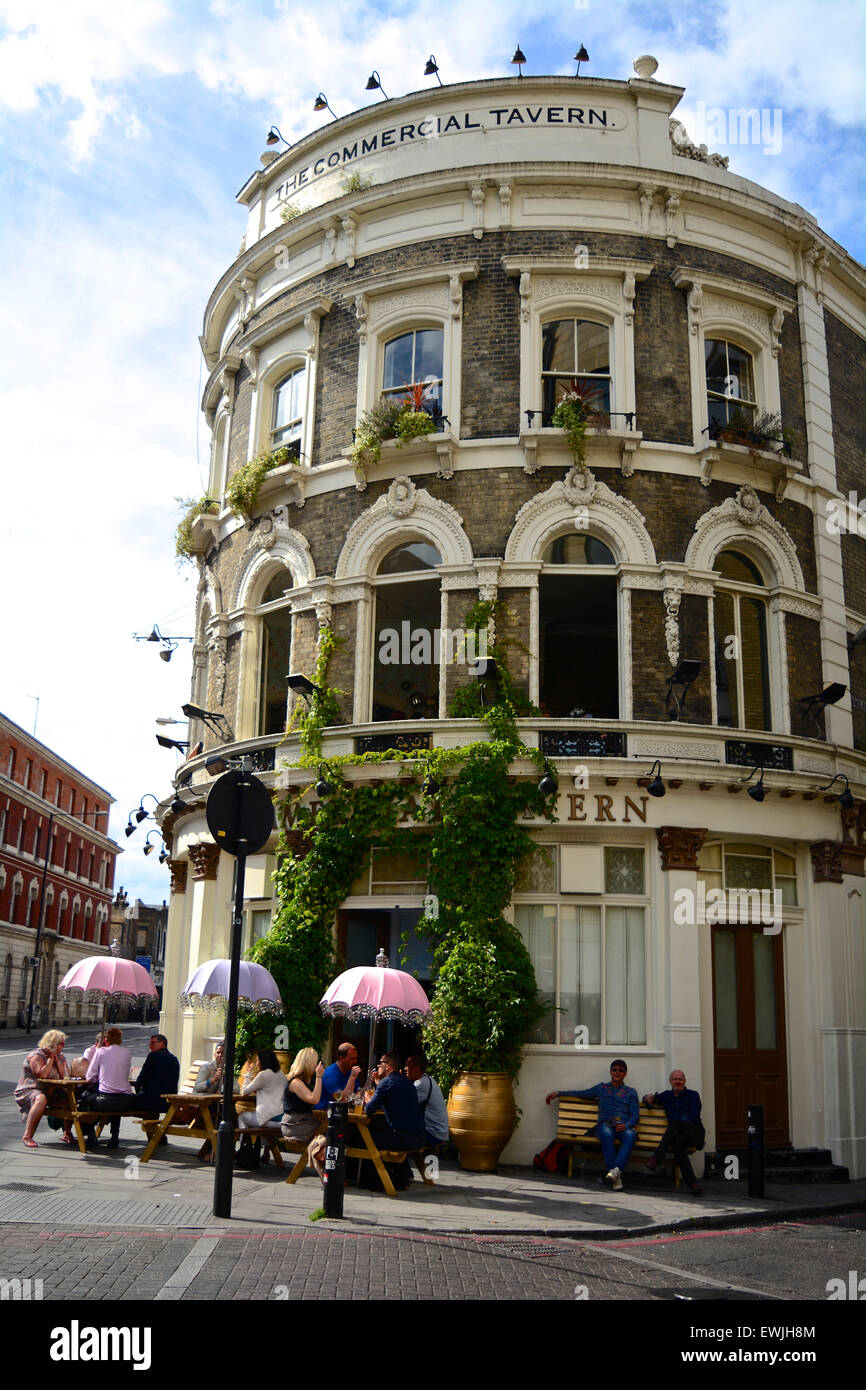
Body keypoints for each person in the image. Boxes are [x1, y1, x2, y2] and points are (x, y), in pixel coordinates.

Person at [546, 1058, 639, 1191]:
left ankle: (615, 1172)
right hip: (606, 1125)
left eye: (621, 1070)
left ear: (625, 1074)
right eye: (614, 1069)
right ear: (610, 1072)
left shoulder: (631, 1092)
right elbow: (581, 1093)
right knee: (606, 1133)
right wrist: (559, 1093)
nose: (617, 1072)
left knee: (630, 1136)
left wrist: (627, 1125)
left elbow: (635, 1115)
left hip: (622, 1126)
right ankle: (615, 1174)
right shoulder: (602, 1088)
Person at [642, 1069, 705, 1195]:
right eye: (675, 1079)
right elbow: (651, 1099)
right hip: (678, 1136)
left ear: (684, 1081)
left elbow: (693, 1118)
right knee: (677, 1144)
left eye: (680, 1079)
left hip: (694, 1134)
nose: (678, 1082)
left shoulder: (693, 1095)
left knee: (675, 1124)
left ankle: (656, 1159)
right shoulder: (667, 1096)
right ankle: (693, 1184)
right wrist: (647, 1098)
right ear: (670, 1081)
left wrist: (678, 1122)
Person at [14, 1030, 72, 1148]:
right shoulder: (37, 1055)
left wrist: (58, 1061)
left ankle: (67, 1132)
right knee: (41, 1099)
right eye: (61, 1043)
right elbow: (42, 1075)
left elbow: (65, 1076)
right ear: (53, 1043)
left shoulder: (60, 1057)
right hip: (30, 1089)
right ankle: (27, 1136)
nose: (63, 1046)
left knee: (71, 1099)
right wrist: (51, 1059)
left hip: (51, 1090)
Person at [81, 1027, 135, 1150]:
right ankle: (114, 1136)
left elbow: (90, 1076)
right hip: (126, 1101)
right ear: (120, 1040)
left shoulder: (101, 1052)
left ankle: (91, 1135)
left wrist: (99, 1079)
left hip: (106, 1101)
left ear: (107, 1039)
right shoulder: (127, 1052)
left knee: (83, 1103)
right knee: (116, 1101)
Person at [364, 1053, 426, 1153]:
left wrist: (368, 1099)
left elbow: (369, 1110)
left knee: (362, 1140)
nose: (378, 1066)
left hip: (403, 1138)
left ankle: (375, 1169)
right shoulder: (407, 1082)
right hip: (419, 1137)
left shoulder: (386, 1082)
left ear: (388, 1066)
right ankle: (401, 1169)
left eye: (380, 1062)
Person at [238, 1048, 287, 1163]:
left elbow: (244, 1091)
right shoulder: (280, 1075)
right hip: (282, 1119)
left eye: (258, 1060)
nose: (256, 1063)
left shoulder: (263, 1075)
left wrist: (248, 1074)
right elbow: (271, 1090)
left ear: (263, 1061)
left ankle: (244, 1148)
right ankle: (266, 1150)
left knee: (242, 1117)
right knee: (262, 1119)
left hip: (269, 1121)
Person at [281, 1047, 325, 1143]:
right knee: (327, 1129)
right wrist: (319, 1076)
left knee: (328, 1129)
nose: (316, 1065)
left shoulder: (300, 1081)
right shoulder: (296, 1082)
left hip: (300, 1123)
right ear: (309, 1063)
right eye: (315, 1062)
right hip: (295, 1126)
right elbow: (314, 1099)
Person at [404, 1053, 448, 1148]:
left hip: (433, 1134)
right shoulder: (427, 1079)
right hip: (438, 1132)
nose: (405, 1069)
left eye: (408, 1066)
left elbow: (402, 1104)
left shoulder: (421, 1084)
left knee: (399, 1139)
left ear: (417, 1068)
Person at [318, 1041, 362, 1109]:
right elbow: (342, 1099)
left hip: (342, 1113)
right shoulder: (329, 1075)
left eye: (356, 1058)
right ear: (341, 1058)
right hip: (325, 1114)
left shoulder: (351, 1071)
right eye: (352, 1059)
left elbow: (357, 1096)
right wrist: (352, 1078)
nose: (355, 1061)